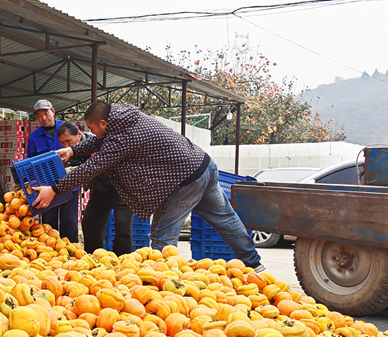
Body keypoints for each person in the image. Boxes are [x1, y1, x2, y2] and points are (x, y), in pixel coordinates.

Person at [32, 101, 264, 270]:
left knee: (162, 238)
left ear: (103, 122)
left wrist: (53, 188)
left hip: (183, 181)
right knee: (226, 219)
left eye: (92, 129)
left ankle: (163, 287)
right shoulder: (124, 117)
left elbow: (93, 166)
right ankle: (255, 265)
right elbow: (100, 143)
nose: (91, 134)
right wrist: (72, 149)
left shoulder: (122, 138)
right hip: (203, 166)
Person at [56, 121, 134, 256]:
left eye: (68, 141)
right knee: (89, 224)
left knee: (123, 229)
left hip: (121, 190)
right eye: (62, 143)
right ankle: (94, 258)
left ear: (79, 134)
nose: (66, 146)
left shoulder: (96, 143)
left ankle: (122, 263)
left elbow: (92, 168)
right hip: (99, 192)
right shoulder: (69, 153)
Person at [26, 99, 79, 243]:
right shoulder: (34, 136)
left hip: (69, 182)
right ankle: (50, 251)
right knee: (49, 222)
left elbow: (81, 150)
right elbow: (29, 162)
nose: (44, 118)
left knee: (69, 220)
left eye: (46, 113)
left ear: (53, 112)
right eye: (39, 115)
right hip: (46, 186)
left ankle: (72, 250)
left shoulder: (66, 128)